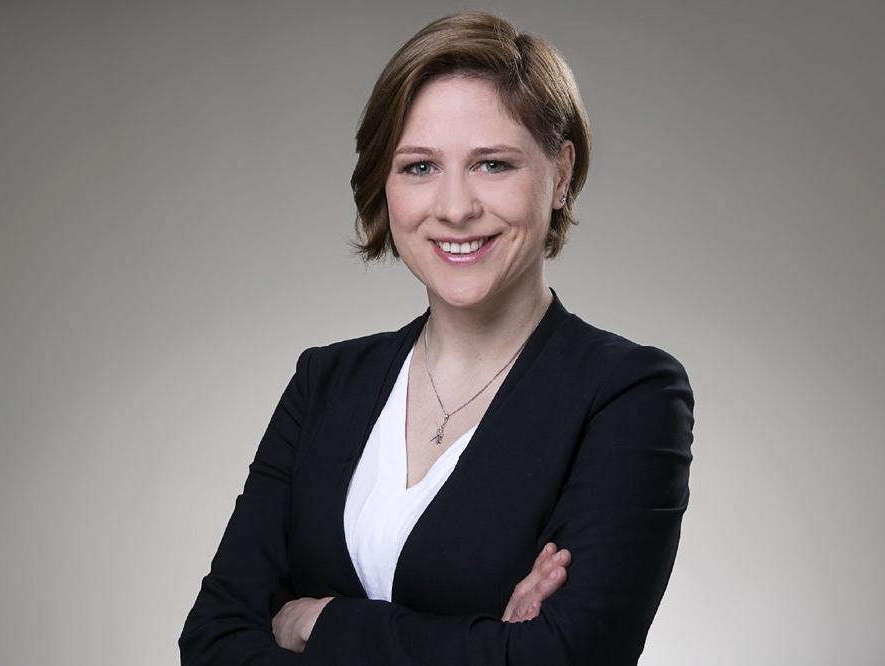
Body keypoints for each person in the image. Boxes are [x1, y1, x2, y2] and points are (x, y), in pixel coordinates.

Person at [179, 10, 694, 665]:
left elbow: (567, 656)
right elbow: (211, 642)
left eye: (492, 165)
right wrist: (487, 643)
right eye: (420, 167)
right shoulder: (324, 383)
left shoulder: (627, 394)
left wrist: (322, 623)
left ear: (561, 175)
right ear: (385, 183)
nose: (454, 208)